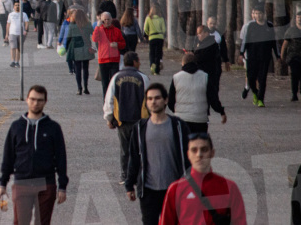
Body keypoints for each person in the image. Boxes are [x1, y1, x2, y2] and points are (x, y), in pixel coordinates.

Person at [0, 85, 68, 225]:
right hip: (22, 182)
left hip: (46, 183)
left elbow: (61, 158)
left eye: (40, 100)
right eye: (33, 99)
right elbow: (8, 158)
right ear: (27, 100)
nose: (36, 103)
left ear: (45, 101)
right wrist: (2, 185)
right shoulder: (16, 127)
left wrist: (62, 186)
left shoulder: (53, 128)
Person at [125, 83, 191, 225]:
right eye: (149, 99)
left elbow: (188, 156)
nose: (153, 102)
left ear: (166, 100)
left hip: (174, 188)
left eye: (157, 98)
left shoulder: (178, 126)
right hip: (149, 190)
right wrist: (129, 185)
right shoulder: (139, 128)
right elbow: (134, 158)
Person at [160, 132, 247, 225]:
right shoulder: (175, 189)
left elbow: (240, 222)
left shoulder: (229, 188)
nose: (199, 155)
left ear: (212, 153)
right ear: (188, 154)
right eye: (194, 150)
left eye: (204, 150)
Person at [103, 51, 149, 185]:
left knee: (125, 150)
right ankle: (140, 175)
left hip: (121, 119)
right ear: (134, 62)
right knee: (140, 149)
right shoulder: (143, 78)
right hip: (140, 120)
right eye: (139, 60)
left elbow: (109, 99)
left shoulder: (116, 77)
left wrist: (109, 117)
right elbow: (149, 98)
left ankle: (125, 175)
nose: (140, 63)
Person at [168, 52, 226, 133]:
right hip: (200, 119)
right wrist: (221, 112)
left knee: (184, 144)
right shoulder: (205, 77)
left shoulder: (176, 77)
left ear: (183, 63)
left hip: (181, 119)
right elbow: (213, 98)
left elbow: (170, 101)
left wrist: (177, 111)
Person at [240, 2, 280, 107]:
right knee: (251, 78)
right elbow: (245, 40)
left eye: (260, 13)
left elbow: (274, 42)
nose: (258, 15)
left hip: (265, 57)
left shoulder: (269, 25)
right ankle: (255, 92)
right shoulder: (251, 26)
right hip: (252, 57)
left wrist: (278, 55)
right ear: (254, 14)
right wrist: (241, 53)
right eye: (256, 13)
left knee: (262, 78)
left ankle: (261, 99)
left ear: (264, 14)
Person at [92, 12, 126, 99]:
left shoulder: (117, 31)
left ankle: (115, 101)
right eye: (105, 20)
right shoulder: (99, 30)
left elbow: (123, 44)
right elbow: (94, 39)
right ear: (102, 21)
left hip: (114, 60)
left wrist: (117, 44)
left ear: (111, 20)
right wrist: (98, 27)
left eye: (108, 19)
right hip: (103, 60)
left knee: (114, 82)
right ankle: (106, 102)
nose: (106, 21)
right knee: (105, 83)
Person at [66, 10, 95, 95]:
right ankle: (86, 87)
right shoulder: (88, 24)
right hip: (86, 48)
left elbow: (68, 37)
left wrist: (66, 47)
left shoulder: (72, 25)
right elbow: (93, 33)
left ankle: (79, 88)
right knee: (86, 69)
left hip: (76, 49)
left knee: (77, 69)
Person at [282, 9, 301, 101]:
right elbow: (285, 44)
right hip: (293, 57)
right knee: (294, 75)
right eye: (298, 17)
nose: (299, 19)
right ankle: (294, 94)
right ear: (295, 19)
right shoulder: (291, 30)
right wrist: (282, 55)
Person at [143, 5, 166, 75]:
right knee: (158, 53)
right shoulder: (161, 18)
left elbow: (145, 29)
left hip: (152, 37)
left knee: (152, 53)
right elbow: (164, 30)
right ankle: (157, 69)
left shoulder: (148, 18)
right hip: (160, 37)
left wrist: (148, 34)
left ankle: (152, 64)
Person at [6, 2, 28, 68]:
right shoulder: (10, 14)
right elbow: (8, 24)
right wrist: (7, 34)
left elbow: (26, 23)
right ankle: (12, 61)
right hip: (12, 32)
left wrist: (25, 30)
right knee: (13, 47)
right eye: (16, 5)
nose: (17, 6)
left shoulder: (23, 14)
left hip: (20, 33)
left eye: (18, 5)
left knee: (18, 48)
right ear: (14, 7)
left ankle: (17, 61)